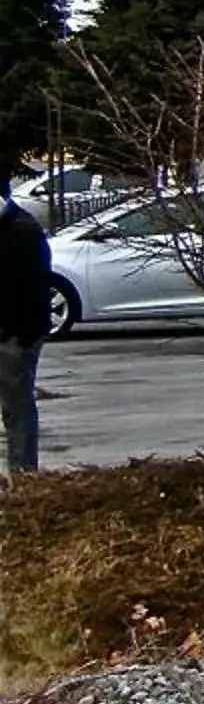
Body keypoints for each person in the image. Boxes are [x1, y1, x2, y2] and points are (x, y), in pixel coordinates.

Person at [0, 164, 51, 474]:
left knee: (16, 408)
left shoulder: (22, 232)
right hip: (11, 330)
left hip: (15, 335)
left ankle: (23, 474)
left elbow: (34, 290)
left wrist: (20, 335)